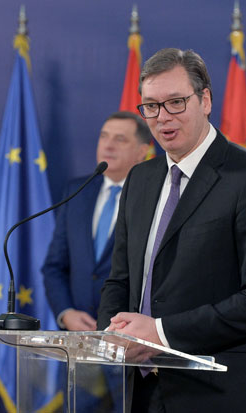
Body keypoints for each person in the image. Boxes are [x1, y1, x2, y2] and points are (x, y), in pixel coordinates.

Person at [96, 48, 246, 412]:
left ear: (205, 100)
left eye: (176, 102)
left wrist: (161, 333)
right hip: (144, 391)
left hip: (223, 392)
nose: (163, 117)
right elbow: (120, 279)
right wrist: (113, 334)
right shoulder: (140, 179)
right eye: (151, 106)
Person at [42, 111, 151, 411]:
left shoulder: (153, 196)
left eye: (120, 139)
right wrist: (65, 313)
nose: (108, 145)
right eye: (104, 136)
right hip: (80, 343)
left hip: (129, 344)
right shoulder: (77, 191)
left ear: (142, 151)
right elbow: (54, 266)